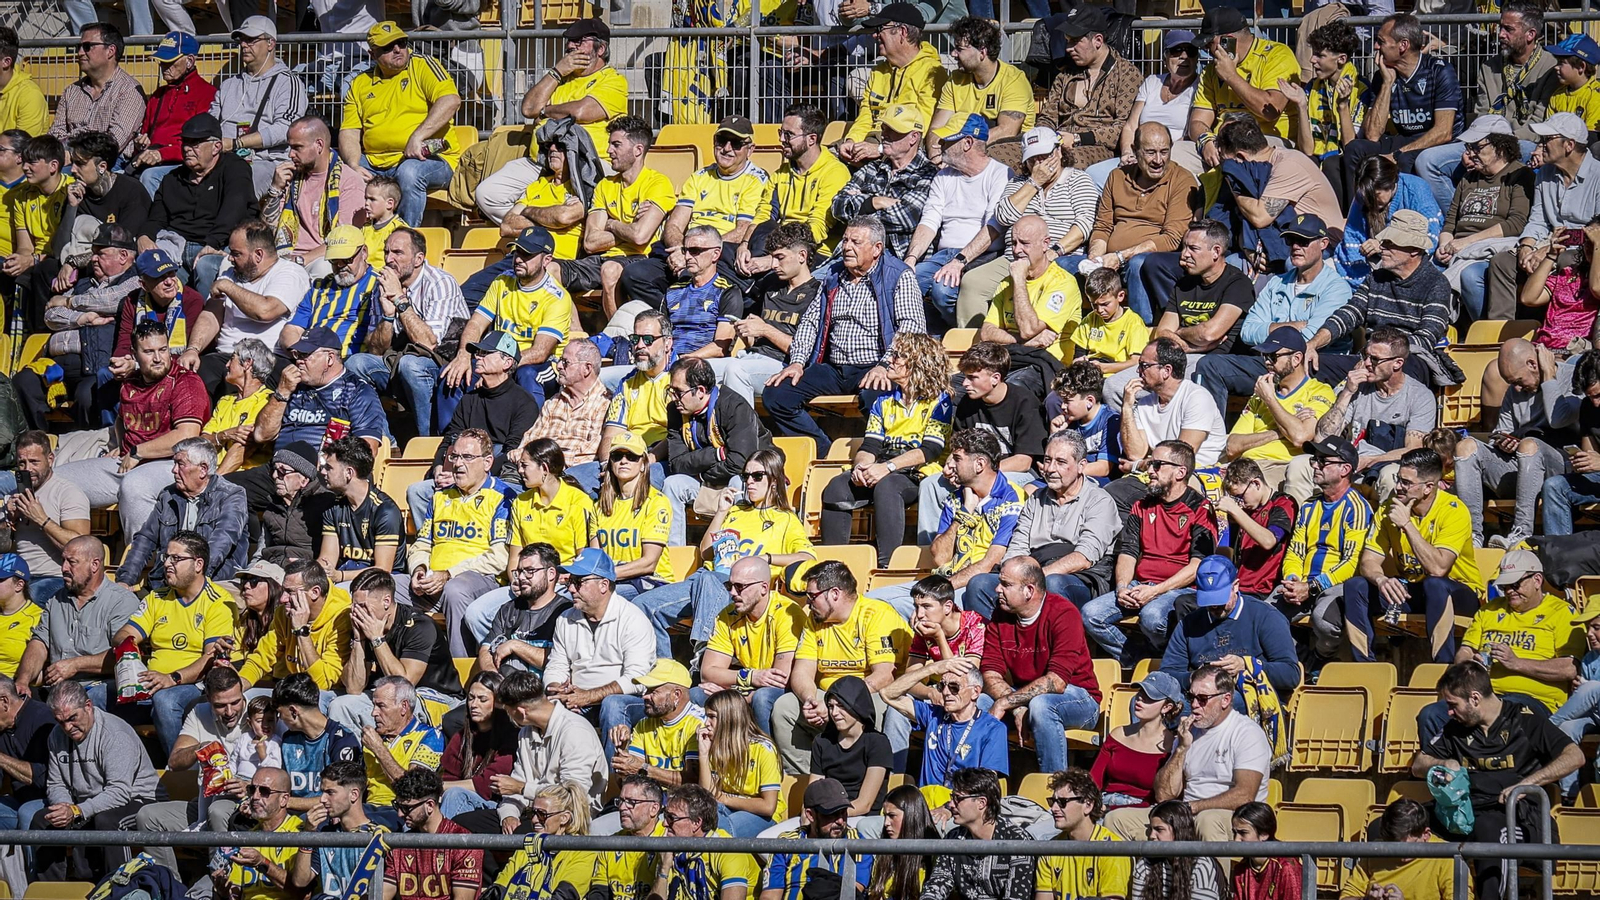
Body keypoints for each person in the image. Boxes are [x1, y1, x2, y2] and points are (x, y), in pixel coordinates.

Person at [1414, 662, 1581, 900]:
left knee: (1488, 833)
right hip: (1464, 811)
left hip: (1514, 815)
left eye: (1452, 705)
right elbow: (1418, 764)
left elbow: (1575, 756)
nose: (1448, 712)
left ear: (1474, 699)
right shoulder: (1456, 727)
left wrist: (1528, 784)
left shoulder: (1524, 720)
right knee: (1395, 821)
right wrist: (1441, 763)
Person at [633, 447, 812, 663]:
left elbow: (807, 557)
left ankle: (703, 658)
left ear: (774, 480)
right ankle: (665, 674)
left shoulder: (785, 519)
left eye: (757, 476)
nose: (750, 482)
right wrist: (721, 512)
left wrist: (767, 559)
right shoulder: (735, 511)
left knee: (709, 580)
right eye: (746, 476)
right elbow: (707, 552)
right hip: (704, 581)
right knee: (643, 605)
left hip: (740, 588)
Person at [765, 215, 925, 454]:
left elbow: (912, 327)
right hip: (834, 368)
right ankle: (822, 450)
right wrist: (797, 362)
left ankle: (882, 456)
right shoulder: (833, 276)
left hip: (877, 364)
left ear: (877, 248)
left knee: (877, 398)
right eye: (845, 240)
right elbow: (810, 322)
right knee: (777, 394)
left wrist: (885, 365)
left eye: (855, 242)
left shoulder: (898, 275)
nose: (847, 247)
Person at [1421, 550, 1581, 755]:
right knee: (1431, 715)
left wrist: (1516, 663)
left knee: (1503, 715)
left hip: (1533, 700)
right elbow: (1465, 651)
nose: (1509, 591)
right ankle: (1444, 777)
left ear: (1537, 580)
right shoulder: (1489, 611)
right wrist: (1470, 666)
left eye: (1515, 585)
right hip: (1482, 697)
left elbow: (1569, 669)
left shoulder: (1562, 613)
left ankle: (1490, 779)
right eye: (1505, 586)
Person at [820, 332, 953, 569]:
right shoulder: (882, 402)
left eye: (898, 356)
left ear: (917, 363)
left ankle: (886, 566)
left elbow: (930, 450)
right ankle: (831, 566)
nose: (890, 360)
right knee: (836, 486)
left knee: (888, 485)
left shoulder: (940, 401)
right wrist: (861, 466)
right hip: (882, 466)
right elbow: (870, 445)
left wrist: (888, 467)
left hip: (916, 473)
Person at [1194, 214, 1349, 415]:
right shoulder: (1277, 283)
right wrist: (1295, 326)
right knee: (1210, 365)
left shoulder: (1337, 288)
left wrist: (1271, 331)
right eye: (1290, 240)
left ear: (1323, 244)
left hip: (1312, 367)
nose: (1295, 247)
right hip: (1270, 363)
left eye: (1303, 241)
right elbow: (1248, 331)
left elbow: (1311, 337)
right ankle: (1209, 438)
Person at [475, 18, 628, 223]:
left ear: (601, 49)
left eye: (579, 41)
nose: (570, 46)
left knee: (582, 205)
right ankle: (543, 229)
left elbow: (581, 111)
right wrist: (556, 72)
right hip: (542, 162)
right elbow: (528, 109)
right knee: (487, 194)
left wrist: (546, 112)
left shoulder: (613, 80)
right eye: (569, 41)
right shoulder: (560, 79)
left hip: (588, 163)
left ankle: (556, 231)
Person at [1082, 440, 1218, 662]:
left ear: (1180, 472)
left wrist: (1155, 592)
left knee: (1152, 617)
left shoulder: (1199, 508)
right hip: (1141, 585)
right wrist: (1122, 587)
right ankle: (1139, 660)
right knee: (1090, 615)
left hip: (1181, 589)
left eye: (1157, 465)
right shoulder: (1141, 505)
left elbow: (1197, 567)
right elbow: (1128, 552)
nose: (1150, 471)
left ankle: (1170, 661)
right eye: (1150, 464)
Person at [616, 116, 770, 312]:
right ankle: (677, 314)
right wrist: (683, 250)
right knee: (634, 274)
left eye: (737, 143)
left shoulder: (756, 179)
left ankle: (692, 315)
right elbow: (674, 225)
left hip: (723, 254)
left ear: (750, 149)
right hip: (687, 249)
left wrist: (697, 252)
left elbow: (742, 231)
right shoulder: (699, 177)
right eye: (721, 141)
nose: (727, 148)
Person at [1343, 447, 1482, 664]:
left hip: (1459, 592)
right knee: (1356, 586)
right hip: (1415, 589)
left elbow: (1439, 568)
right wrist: (1381, 580)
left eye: (1406, 483)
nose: (1398, 487)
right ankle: (1364, 667)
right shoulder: (1389, 509)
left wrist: (1407, 525)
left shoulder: (1454, 510)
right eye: (1398, 479)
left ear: (1428, 487)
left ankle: (1442, 666)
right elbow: (1369, 561)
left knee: (1435, 584)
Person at [1103, 664, 1271, 844]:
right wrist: (1181, 748)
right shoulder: (1189, 732)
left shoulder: (1246, 733)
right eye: (1191, 697)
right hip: (1187, 814)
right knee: (1116, 819)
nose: (1194, 705)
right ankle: (1142, 872)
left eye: (1203, 698)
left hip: (1233, 818)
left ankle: (1215, 873)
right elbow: (1164, 795)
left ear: (1225, 699)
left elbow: (1244, 795)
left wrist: (1193, 807)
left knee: (1207, 821)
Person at [772, 560, 910, 775]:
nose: (808, 604)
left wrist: (839, 704)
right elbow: (801, 671)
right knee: (785, 707)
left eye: (812, 596)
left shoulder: (876, 614)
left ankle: (869, 782)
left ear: (834, 593)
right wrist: (811, 700)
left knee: (878, 710)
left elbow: (884, 676)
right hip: (828, 697)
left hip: (870, 695)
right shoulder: (815, 620)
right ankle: (805, 780)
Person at [1414, 2, 1553, 213]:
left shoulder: (1550, 67)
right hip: (1486, 140)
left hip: (1525, 144)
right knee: (1427, 160)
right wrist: (1475, 147)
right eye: (1500, 27)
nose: (1500, 34)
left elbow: (1538, 123)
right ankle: (1461, 217)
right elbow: (1482, 114)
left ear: (1530, 34)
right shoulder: (1490, 66)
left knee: (1520, 147)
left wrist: (1499, 146)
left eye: (1508, 29)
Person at [871, 429, 1020, 616]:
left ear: (979, 464)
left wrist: (940, 589)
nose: (949, 467)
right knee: (871, 600)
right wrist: (964, 513)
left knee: (898, 608)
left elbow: (990, 563)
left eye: (957, 459)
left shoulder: (1011, 499)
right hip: (945, 579)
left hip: (976, 587)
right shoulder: (956, 499)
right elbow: (940, 557)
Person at [977, 557, 1100, 774]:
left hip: (1079, 698)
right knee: (977, 701)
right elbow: (990, 674)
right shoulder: (1000, 615)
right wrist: (1016, 706)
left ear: (1029, 590)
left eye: (1006, 584)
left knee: (1042, 706)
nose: (997, 589)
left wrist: (1007, 702)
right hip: (1025, 695)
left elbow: (1056, 682)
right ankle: (982, 788)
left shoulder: (1063, 613)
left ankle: (1055, 790)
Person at [437, 226, 573, 419]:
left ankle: (528, 438)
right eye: (518, 252)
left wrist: (499, 367)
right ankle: (450, 440)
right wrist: (463, 355)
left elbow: (540, 352)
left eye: (527, 255)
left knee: (527, 376)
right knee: (451, 374)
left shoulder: (557, 297)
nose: (518, 259)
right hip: (497, 359)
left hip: (541, 366)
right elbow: (476, 324)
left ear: (547, 260)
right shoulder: (501, 282)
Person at [347, 228, 468, 437]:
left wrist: (399, 301)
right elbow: (375, 350)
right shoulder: (383, 286)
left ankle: (428, 441)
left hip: (444, 363)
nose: (388, 259)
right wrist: (387, 316)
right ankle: (384, 441)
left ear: (418, 258)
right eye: (386, 252)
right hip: (400, 360)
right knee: (355, 364)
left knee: (411, 365)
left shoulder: (440, 283)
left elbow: (430, 344)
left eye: (397, 253)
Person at [32, 680, 158, 880]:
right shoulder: (56, 736)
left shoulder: (114, 734)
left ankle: (120, 887)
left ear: (88, 706)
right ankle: (51, 890)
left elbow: (119, 793)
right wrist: (64, 808)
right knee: (43, 820)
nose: (67, 727)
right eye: (60, 721)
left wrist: (77, 811)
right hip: (86, 803)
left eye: (72, 718)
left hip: (138, 800)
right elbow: (56, 784)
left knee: (106, 820)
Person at [1312, 210, 1453, 389]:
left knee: (1399, 369)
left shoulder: (1436, 283)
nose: (1382, 248)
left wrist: (1381, 358)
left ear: (1414, 250)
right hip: (1370, 358)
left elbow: (1427, 338)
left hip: (1410, 359)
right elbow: (1349, 314)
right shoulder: (1376, 278)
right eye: (1384, 242)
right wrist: (1312, 344)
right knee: (1312, 365)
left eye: (1390, 243)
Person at [338, 22, 462, 227]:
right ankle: (352, 239)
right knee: (340, 173)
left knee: (409, 173)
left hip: (430, 158)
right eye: (388, 47)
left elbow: (451, 100)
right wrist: (353, 165)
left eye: (401, 43)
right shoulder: (359, 83)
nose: (397, 49)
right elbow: (349, 131)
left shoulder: (423, 65)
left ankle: (404, 239)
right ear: (372, 54)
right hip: (374, 162)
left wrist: (417, 137)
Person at [1453, 340, 1575, 548]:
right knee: (1465, 447)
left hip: (1561, 467)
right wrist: (1503, 442)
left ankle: (1521, 534)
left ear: (1533, 364)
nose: (1517, 387)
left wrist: (1548, 377)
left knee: (1529, 445)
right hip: (1522, 466)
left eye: (1518, 380)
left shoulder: (1571, 376)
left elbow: (1559, 419)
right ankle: (1471, 536)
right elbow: (1502, 430)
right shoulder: (1515, 391)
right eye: (1512, 382)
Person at [406, 429, 515, 658]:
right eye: (454, 456)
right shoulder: (440, 497)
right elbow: (422, 544)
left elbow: (500, 558)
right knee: (381, 587)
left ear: (487, 462)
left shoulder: (503, 497)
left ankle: (462, 674)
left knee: (455, 590)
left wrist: (449, 574)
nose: (457, 464)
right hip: (433, 580)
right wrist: (419, 569)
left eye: (467, 457)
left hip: (479, 581)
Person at [133, 666, 251, 869]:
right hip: (205, 803)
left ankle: (220, 880)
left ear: (242, 692)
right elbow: (174, 761)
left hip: (247, 804)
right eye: (221, 705)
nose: (230, 712)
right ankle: (170, 887)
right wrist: (199, 748)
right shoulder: (199, 711)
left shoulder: (259, 713)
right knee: (147, 817)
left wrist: (249, 787)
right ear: (208, 698)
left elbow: (280, 772)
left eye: (235, 702)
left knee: (218, 810)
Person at [176, 220, 310, 397]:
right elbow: (210, 316)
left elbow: (266, 311)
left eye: (236, 253)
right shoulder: (230, 274)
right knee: (194, 375)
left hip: (268, 359)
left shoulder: (289, 273)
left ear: (258, 255)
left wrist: (228, 287)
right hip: (225, 356)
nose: (229, 258)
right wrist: (193, 349)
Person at [1339, 14, 1464, 202]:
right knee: (1355, 148)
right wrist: (1387, 84)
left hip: (1439, 142)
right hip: (1406, 138)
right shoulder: (1383, 75)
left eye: (1381, 41)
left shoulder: (1439, 71)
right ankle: (1355, 216)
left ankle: (1402, 215)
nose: (1376, 47)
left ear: (1403, 46)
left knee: (1405, 160)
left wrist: (1398, 153)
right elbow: (1372, 134)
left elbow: (1444, 132)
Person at [416, 331, 540, 515]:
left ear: (507, 362)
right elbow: (451, 438)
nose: (477, 357)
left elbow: (511, 452)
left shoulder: (524, 402)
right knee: (417, 492)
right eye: (478, 352)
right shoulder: (469, 399)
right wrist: (439, 468)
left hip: (496, 476)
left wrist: (471, 475)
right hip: (462, 470)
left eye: (486, 353)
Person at [137, 113, 260, 299]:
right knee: (155, 266)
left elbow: (234, 210)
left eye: (195, 143)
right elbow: (157, 217)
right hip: (180, 245)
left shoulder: (235, 168)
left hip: (222, 245)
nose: (187, 148)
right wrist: (144, 236)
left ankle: (209, 320)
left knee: (206, 265)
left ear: (216, 146)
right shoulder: (173, 179)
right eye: (185, 142)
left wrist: (212, 244)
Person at [1277, 436, 1376, 666]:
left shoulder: (1357, 508)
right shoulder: (1309, 506)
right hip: (1303, 582)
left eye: (1323, 461)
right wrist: (1293, 579)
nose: (1315, 465)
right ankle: (1306, 661)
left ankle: (1322, 658)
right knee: (1261, 617)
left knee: (1324, 620)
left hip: (1335, 585)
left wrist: (1311, 587)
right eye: (1315, 460)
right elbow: (1296, 551)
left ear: (1345, 469)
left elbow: (1351, 563)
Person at [559, 117, 672, 316]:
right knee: (549, 269)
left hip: (638, 258)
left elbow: (640, 238)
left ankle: (618, 337)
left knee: (610, 270)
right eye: (610, 144)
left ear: (638, 150)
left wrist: (610, 224)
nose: (609, 150)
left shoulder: (658, 183)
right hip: (600, 259)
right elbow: (591, 243)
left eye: (616, 144)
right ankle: (577, 333)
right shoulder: (605, 185)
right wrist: (625, 225)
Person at [904, 114, 1010, 326]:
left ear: (967, 143)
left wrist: (960, 261)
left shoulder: (1000, 174)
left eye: (947, 140)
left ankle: (962, 333)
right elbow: (929, 221)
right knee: (904, 282)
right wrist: (911, 259)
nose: (939, 144)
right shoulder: (943, 177)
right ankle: (932, 334)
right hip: (943, 254)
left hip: (982, 255)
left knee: (942, 291)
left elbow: (993, 227)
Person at [544, 548, 656, 746]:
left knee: (612, 705)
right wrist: (556, 690)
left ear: (604, 585)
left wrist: (588, 696)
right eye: (570, 581)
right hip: (577, 698)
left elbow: (638, 678)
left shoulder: (632, 619)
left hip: (625, 701)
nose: (571, 589)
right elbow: (557, 664)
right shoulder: (565, 619)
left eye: (579, 582)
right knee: (539, 705)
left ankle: (612, 776)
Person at [12, 536, 137, 708]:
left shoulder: (121, 601)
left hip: (99, 689)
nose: (63, 568)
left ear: (94, 565)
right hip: (57, 690)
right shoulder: (56, 599)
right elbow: (39, 643)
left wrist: (76, 665)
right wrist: (23, 682)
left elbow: (123, 655)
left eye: (72, 562)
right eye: (63, 561)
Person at [1161, 556, 1300, 708]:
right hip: (1200, 695)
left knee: (1219, 704)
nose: (1214, 606)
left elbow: (1291, 674)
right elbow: (1167, 674)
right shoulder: (1188, 624)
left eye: (1219, 599)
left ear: (1235, 586)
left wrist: (1247, 665)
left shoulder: (1266, 616)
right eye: (1208, 600)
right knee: (1150, 704)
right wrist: (1196, 677)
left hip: (1252, 696)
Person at [115, 433, 248, 592]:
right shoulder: (168, 495)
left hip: (212, 583)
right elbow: (146, 538)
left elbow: (221, 543)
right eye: (174, 463)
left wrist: (192, 582)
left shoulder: (231, 495)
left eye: (180, 464)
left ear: (203, 469)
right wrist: (125, 580)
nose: (174, 470)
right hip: (166, 583)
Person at [660, 357, 769, 548]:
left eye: (678, 392)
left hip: (743, 477)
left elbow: (740, 462)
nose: (673, 398)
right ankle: (675, 554)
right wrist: (717, 454)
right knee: (672, 484)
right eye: (671, 391)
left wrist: (700, 471)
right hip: (706, 479)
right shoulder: (675, 410)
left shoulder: (734, 406)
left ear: (701, 391)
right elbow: (676, 463)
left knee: (739, 482)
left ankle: (733, 551)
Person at [696, 554, 806, 738]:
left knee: (762, 698)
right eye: (729, 586)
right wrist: (750, 677)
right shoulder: (727, 615)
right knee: (697, 693)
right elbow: (708, 673)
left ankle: (768, 756)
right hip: (749, 685)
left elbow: (781, 678)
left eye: (740, 587)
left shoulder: (787, 613)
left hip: (782, 691)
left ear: (764, 588)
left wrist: (733, 693)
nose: (732, 593)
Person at [485, 670, 608, 827]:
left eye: (508, 712)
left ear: (521, 712)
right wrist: (509, 814)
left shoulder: (575, 731)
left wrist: (522, 788)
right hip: (533, 813)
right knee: (467, 824)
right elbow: (518, 782)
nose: (508, 718)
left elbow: (573, 795)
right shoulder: (526, 732)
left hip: (569, 819)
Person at [714, 223, 818, 407]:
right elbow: (757, 341)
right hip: (751, 357)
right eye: (773, 258)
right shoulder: (771, 285)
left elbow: (808, 352)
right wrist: (747, 331)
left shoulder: (817, 294)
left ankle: (746, 435)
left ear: (802, 255)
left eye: (780, 258)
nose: (774, 264)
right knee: (693, 370)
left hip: (785, 365)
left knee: (735, 370)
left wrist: (765, 329)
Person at [1221, 328, 1335, 494]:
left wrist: (1270, 400)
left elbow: (1301, 438)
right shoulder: (1259, 396)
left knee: (1243, 490)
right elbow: (1232, 446)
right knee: (1196, 483)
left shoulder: (1319, 392)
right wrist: (1279, 432)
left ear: (1296, 359)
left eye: (1273, 357)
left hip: (1279, 467)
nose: (1267, 363)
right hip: (1244, 466)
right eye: (1265, 357)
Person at [1438, 127, 1536, 322]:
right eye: (1469, 147)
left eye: (1477, 147)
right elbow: (1450, 222)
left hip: (1491, 247)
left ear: (1500, 148)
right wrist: (1444, 245)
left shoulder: (1520, 174)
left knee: (1471, 275)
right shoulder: (1468, 178)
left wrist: (1466, 243)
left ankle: (1484, 330)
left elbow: (1515, 224)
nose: (1471, 153)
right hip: (1458, 248)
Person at [210, 17, 308, 197]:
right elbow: (211, 121)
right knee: (155, 176)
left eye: (251, 40)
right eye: (242, 40)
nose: (244, 45)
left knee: (239, 181)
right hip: (222, 157)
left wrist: (236, 143)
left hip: (266, 161)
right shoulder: (229, 84)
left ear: (270, 43)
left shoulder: (288, 82)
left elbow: (287, 128)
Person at [836, 4, 946, 165]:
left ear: (902, 32)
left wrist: (880, 148)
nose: (875, 35)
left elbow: (921, 126)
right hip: (872, 140)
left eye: (880, 29)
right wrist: (852, 140)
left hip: (902, 148)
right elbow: (866, 115)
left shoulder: (932, 71)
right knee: (823, 157)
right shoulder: (878, 71)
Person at [260, 118, 371, 276]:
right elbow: (266, 229)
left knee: (323, 269)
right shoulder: (289, 178)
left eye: (297, 147)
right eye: (290, 147)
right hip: (283, 256)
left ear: (319, 145)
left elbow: (345, 239)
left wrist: (301, 259)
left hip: (321, 258)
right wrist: (275, 189)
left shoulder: (349, 181)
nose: (290, 154)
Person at [1038, 7, 1141, 173]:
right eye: (1067, 41)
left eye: (1074, 41)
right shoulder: (1066, 74)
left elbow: (1124, 126)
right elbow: (1048, 116)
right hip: (1056, 142)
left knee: (1064, 162)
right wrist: (1044, 137)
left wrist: (1078, 138)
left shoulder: (1126, 74)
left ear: (1098, 40)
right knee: (1001, 153)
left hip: (1098, 147)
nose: (1068, 48)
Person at [971, 214, 1085, 364]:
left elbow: (1028, 330)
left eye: (1025, 243)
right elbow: (986, 333)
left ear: (1045, 244)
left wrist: (1019, 279)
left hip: (1045, 364)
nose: (1017, 250)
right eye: (1014, 243)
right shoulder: (1006, 283)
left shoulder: (1062, 283)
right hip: (1007, 360)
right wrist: (1023, 342)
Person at [830, 105, 938, 261]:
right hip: (851, 255)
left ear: (913, 137)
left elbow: (908, 217)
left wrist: (861, 204)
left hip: (897, 258)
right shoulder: (872, 168)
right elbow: (837, 205)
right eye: (883, 128)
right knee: (812, 282)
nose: (884, 135)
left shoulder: (928, 173)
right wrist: (875, 201)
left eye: (893, 131)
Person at [1114, 339, 1226, 486]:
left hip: (1192, 476)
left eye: (1144, 365)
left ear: (1166, 371)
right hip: (1157, 473)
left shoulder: (1197, 398)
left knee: (1118, 495)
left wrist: (1137, 466)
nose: (1138, 371)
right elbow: (1135, 453)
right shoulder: (1144, 404)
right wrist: (1127, 408)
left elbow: (1180, 458)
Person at [882, 657, 1006, 789]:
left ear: (975, 692)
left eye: (954, 687)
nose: (946, 692)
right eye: (942, 686)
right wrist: (931, 668)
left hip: (961, 804)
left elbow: (985, 785)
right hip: (927, 803)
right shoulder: (933, 715)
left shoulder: (992, 728)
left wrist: (949, 806)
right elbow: (887, 694)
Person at [235, 559, 351, 698]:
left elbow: (322, 684)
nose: (283, 599)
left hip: (331, 695)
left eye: (290, 592)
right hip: (296, 689)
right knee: (241, 699)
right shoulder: (284, 613)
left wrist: (301, 630)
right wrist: (236, 689)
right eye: (284, 591)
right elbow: (261, 658)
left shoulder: (342, 618)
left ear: (314, 592)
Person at [919, 767, 1034, 900]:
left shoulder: (1018, 842)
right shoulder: (954, 838)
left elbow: (1017, 897)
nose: (950, 804)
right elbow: (938, 882)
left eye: (958, 798)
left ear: (981, 803)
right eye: (952, 798)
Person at [317, 436, 407, 597]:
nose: (323, 472)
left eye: (329, 468)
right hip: (345, 577)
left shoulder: (385, 510)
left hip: (383, 583)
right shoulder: (334, 507)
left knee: (336, 595)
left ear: (349, 473)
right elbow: (326, 559)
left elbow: (382, 570)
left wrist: (340, 576)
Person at [4, 431, 89, 603]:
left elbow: (82, 548)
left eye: (34, 462)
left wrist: (41, 519)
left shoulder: (68, 493)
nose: (27, 469)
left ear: (50, 459)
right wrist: (8, 521)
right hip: (15, 576)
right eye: (22, 463)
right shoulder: (13, 496)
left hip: (54, 577)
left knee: (32, 599)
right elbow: (3, 547)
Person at [131, 32, 218, 199]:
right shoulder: (158, 95)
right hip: (153, 160)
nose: (164, 65)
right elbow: (146, 134)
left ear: (190, 61)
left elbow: (202, 145)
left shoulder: (207, 94)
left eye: (170, 61)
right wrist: (141, 144)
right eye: (162, 61)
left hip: (185, 163)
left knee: (149, 177)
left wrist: (162, 154)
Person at [291, 759, 389, 898]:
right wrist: (308, 834)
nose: (322, 799)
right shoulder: (325, 835)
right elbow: (300, 881)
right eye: (323, 792)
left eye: (330, 792)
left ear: (353, 795)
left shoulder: (379, 838)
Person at [646, 784, 761, 900]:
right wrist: (663, 869)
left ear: (696, 823)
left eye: (671, 818)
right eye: (665, 815)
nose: (664, 823)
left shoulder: (728, 850)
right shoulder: (669, 850)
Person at [691, 690, 780, 838]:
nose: (706, 723)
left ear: (729, 718)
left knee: (721, 828)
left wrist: (725, 798)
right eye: (706, 716)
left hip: (762, 817)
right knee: (697, 817)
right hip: (726, 808)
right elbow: (708, 795)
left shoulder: (764, 749)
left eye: (712, 717)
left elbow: (768, 807)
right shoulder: (713, 746)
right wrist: (704, 754)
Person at [765, 778, 874, 898]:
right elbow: (770, 895)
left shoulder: (857, 843)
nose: (840, 821)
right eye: (831, 814)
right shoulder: (787, 843)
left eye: (843, 812)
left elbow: (852, 893)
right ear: (810, 815)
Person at [48, 23, 143, 161]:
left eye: (87, 47)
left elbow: (113, 143)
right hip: (66, 157)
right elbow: (55, 133)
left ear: (110, 51)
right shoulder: (71, 91)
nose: (80, 53)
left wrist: (73, 154)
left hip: (109, 163)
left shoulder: (129, 91)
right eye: (78, 47)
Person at [385, 769, 484, 900]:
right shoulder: (399, 845)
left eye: (407, 808)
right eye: (397, 806)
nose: (400, 814)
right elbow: (382, 893)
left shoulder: (464, 843)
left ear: (430, 805)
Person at [1035, 767, 1131, 900]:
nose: (1053, 808)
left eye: (1062, 802)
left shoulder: (1113, 851)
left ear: (1088, 805)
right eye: (1052, 801)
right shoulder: (1051, 849)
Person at [1089, 671, 1181, 810]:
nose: (1140, 699)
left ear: (1166, 707)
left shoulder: (1171, 746)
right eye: (1140, 693)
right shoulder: (1118, 734)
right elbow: (1094, 780)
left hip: (1139, 811)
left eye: (1149, 697)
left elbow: (1162, 797)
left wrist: (1112, 810)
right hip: (1103, 802)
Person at [209, 767, 304, 900]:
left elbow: (304, 894)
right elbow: (236, 890)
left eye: (264, 791)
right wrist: (224, 893)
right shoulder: (247, 837)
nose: (255, 797)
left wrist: (263, 863)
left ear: (284, 799)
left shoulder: (300, 833)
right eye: (252, 789)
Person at [491, 781, 597, 898]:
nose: (534, 820)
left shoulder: (583, 853)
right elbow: (498, 889)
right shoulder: (528, 847)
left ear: (564, 818)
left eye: (542, 814)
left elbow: (564, 896)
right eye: (532, 813)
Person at [275, 674, 363, 814]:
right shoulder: (288, 739)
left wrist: (283, 802)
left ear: (293, 711)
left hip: (326, 819)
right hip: (289, 815)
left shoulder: (342, 740)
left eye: (279, 712)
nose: (279, 718)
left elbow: (340, 797)